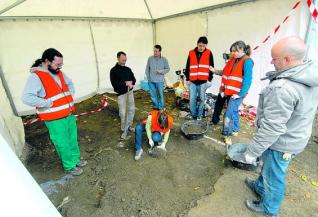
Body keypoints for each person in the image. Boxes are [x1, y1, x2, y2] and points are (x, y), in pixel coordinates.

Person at [237, 36, 318, 217]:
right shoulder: (308, 73)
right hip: (297, 134)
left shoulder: (283, 88)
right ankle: (260, 186)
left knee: (275, 175)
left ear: (288, 59)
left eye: (274, 58)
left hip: (283, 142)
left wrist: (252, 152)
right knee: (270, 166)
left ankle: (269, 208)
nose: (271, 61)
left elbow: (272, 128)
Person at [22, 48, 87, 176]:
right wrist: (47, 103)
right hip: (54, 119)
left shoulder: (59, 72)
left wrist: (70, 94)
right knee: (62, 143)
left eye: (61, 64)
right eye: (57, 64)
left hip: (68, 114)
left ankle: (75, 159)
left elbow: (69, 83)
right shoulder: (36, 77)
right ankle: (69, 166)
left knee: (72, 139)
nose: (60, 67)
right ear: (47, 61)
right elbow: (26, 97)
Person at [210, 41, 253, 145]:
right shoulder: (233, 60)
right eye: (232, 51)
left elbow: (248, 80)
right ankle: (235, 129)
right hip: (227, 90)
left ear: (242, 50)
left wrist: (240, 94)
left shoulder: (247, 61)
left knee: (228, 114)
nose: (233, 53)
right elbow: (225, 73)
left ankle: (227, 134)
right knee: (232, 111)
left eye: (235, 51)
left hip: (236, 93)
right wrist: (214, 70)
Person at [184, 36, 214, 121]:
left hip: (203, 81)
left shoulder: (209, 53)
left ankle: (199, 115)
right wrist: (187, 78)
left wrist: (210, 78)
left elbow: (211, 67)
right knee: (192, 99)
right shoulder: (191, 53)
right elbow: (188, 66)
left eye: (204, 46)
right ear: (197, 44)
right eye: (200, 45)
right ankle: (193, 114)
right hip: (193, 81)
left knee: (202, 99)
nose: (202, 48)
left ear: (206, 46)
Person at [110, 51, 136, 140]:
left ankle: (129, 126)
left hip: (130, 93)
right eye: (123, 59)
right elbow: (115, 84)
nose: (124, 60)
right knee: (123, 112)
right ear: (118, 58)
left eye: (125, 59)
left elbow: (134, 79)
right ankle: (124, 129)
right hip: (121, 94)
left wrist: (131, 83)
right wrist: (125, 83)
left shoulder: (128, 69)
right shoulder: (113, 71)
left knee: (131, 110)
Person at [145, 44, 170, 110]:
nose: (155, 53)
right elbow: (147, 69)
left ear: (160, 51)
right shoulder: (150, 58)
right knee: (153, 95)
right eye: (154, 51)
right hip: (151, 80)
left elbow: (168, 69)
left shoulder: (164, 59)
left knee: (160, 95)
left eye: (156, 51)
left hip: (160, 81)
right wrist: (148, 78)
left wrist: (162, 71)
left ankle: (161, 107)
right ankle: (156, 106)